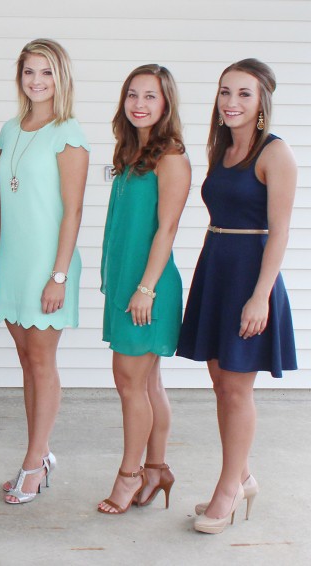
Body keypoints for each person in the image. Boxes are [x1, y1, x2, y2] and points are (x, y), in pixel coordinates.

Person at [178, 58, 297, 534]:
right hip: (216, 267)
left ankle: (228, 489)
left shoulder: (275, 153)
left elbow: (282, 230)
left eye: (243, 94)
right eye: (225, 92)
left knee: (236, 387)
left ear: (262, 100)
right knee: (220, 385)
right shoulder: (222, 148)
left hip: (251, 274)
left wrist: (260, 296)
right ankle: (242, 475)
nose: (231, 102)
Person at [0, 38, 89, 504]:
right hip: (13, 263)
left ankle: (33, 463)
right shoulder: (9, 129)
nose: (37, 80)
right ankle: (38, 453)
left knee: (42, 363)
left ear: (60, 77)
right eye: (29, 71)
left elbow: (74, 211)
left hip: (50, 266)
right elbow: (1, 199)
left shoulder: (70, 132)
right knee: (26, 363)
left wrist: (59, 275)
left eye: (46, 72)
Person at [95, 65, 190, 515]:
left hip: (148, 290)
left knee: (129, 383)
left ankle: (129, 475)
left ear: (166, 103)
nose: (139, 104)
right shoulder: (130, 154)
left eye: (150, 96)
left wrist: (146, 289)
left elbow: (167, 229)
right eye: (133, 94)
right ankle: (157, 469)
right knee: (148, 383)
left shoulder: (171, 158)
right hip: (127, 286)